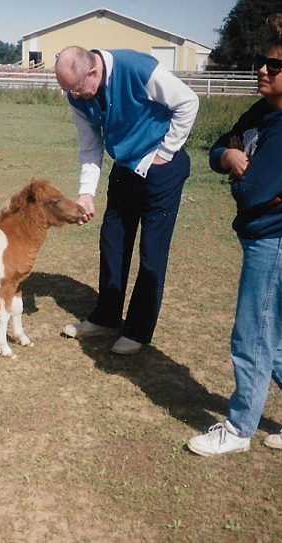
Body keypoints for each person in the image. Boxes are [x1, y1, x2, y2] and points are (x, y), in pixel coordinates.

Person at [187, 14, 282, 455]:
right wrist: (230, 156)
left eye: (276, 65)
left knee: (251, 335)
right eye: (262, 61)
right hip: (269, 239)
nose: (263, 70)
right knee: (272, 333)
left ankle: (238, 429)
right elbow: (217, 148)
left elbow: (252, 190)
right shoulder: (260, 113)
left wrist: (236, 171)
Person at [54, 46, 199, 355]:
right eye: (68, 91)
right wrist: (86, 193)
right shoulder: (77, 95)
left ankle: (137, 330)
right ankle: (106, 318)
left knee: (151, 251)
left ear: (93, 72)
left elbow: (188, 101)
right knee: (113, 241)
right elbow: (91, 145)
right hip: (125, 168)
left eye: (77, 89)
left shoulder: (135, 68)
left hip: (163, 168)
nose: (75, 97)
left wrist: (165, 152)